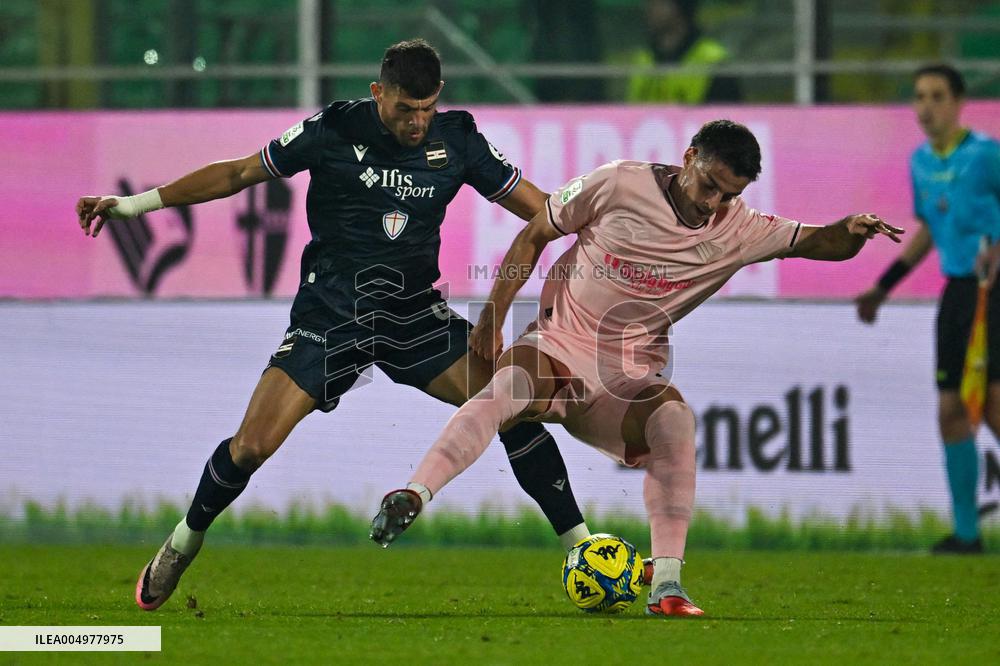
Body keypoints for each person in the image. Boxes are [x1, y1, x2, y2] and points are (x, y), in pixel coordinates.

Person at [75, 39, 593, 611]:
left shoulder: (460, 138)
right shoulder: (332, 129)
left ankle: (583, 551)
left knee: (509, 407)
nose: (418, 122)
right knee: (250, 448)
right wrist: (131, 206)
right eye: (405, 109)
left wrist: (613, 227)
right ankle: (183, 542)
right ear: (378, 94)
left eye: (427, 109)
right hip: (331, 316)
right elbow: (238, 174)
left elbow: (543, 211)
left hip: (412, 316)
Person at [370, 119, 901, 617]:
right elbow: (534, 233)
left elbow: (820, 242)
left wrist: (851, 228)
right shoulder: (618, 183)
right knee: (502, 390)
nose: (714, 203)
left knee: (675, 422)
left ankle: (666, 585)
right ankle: (414, 493)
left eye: (729, 194)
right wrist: (492, 315)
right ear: (688, 157)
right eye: (709, 185)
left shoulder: (739, 229)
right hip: (556, 347)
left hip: (623, 381)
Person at [855, 64, 1000, 555]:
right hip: (959, 292)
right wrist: (882, 288)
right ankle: (967, 534)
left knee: (993, 406)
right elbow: (929, 234)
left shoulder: (986, 155)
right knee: (951, 409)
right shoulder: (919, 161)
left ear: (959, 102)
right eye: (919, 96)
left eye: (937, 95)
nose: (927, 106)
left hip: (994, 290)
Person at [624, 0, 741, 104]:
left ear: (680, 6)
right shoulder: (642, 58)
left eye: (659, 2)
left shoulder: (713, 60)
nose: (650, 8)